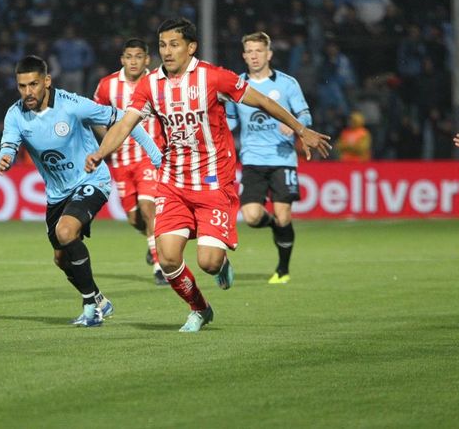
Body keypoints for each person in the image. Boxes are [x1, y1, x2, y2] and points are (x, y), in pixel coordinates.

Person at [86, 18, 331, 332]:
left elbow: (265, 101)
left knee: (208, 262)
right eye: (162, 45)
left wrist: (301, 130)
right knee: (168, 257)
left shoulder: (213, 78)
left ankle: (221, 264)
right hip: (172, 183)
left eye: (174, 44)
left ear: (191, 47)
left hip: (213, 183)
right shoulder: (150, 84)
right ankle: (199, 309)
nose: (167, 51)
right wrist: (100, 152)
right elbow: (123, 124)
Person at [0, 55, 162, 327]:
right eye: (22, 86)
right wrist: (4, 157)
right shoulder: (15, 114)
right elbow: (9, 144)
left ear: (47, 81)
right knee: (61, 259)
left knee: (65, 232)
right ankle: (99, 300)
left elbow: (126, 120)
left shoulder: (73, 105)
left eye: (34, 84)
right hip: (57, 194)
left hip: (92, 180)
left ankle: (90, 308)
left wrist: (155, 156)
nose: (28, 92)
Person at [224, 31, 313, 285]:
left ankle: (282, 270)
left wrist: (295, 125)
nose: (254, 56)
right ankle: (275, 226)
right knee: (252, 217)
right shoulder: (237, 85)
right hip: (252, 159)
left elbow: (305, 114)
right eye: (249, 51)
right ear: (243, 55)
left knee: (285, 214)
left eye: (258, 51)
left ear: (269, 54)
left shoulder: (286, 84)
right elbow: (230, 120)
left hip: (282, 159)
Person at [93, 38, 167, 285]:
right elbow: (96, 116)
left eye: (138, 56)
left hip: (150, 158)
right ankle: (152, 238)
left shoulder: (159, 81)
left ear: (147, 59)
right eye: (128, 56)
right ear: (122, 59)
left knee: (149, 209)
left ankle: (160, 267)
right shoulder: (108, 85)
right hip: (122, 162)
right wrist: (109, 142)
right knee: (135, 218)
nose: (133, 61)